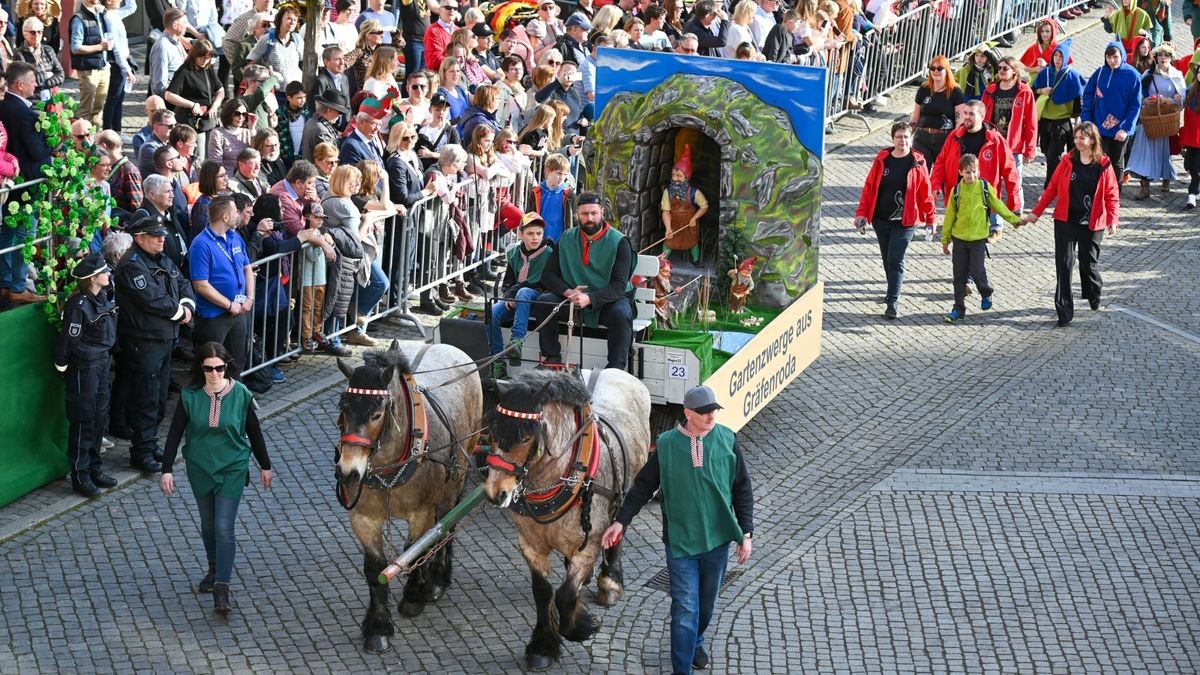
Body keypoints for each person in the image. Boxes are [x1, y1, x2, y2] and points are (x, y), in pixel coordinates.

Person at [601, 385, 754, 675]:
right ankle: (681, 670)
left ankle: (696, 641)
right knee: (685, 609)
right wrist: (621, 521)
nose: (711, 416)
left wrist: (746, 533)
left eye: (713, 411)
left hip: (718, 540)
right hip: (681, 543)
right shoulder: (668, 445)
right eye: (704, 412)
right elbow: (643, 487)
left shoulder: (727, 440)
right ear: (687, 413)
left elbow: (742, 489)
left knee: (705, 606)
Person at [159, 341, 273, 615]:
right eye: (209, 368)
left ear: (226, 367)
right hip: (199, 467)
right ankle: (213, 568)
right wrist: (166, 469)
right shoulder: (190, 395)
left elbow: (253, 431)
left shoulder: (241, 394)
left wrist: (264, 465)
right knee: (208, 526)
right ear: (201, 368)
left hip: (232, 467)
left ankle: (222, 586)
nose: (214, 373)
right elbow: (174, 432)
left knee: (223, 526)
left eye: (219, 368)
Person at [112, 212, 196, 472]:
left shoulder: (159, 258)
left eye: (162, 235)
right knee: (145, 398)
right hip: (144, 340)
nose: (162, 240)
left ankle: (149, 444)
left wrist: (187, 303)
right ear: (140, 238)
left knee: (159, 398)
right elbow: (150, 298)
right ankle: (141, 450)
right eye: (156, 236)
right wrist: (179, 312)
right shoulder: (132, 265)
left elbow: (181, 281)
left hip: (162, 339)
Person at [1023, 122, 1120, 327]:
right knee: (1064, 264)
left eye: (1082, 138)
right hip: (1066, 220)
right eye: (1076, 138)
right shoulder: (1067, 161)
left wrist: (1112, 220)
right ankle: (1064, 311)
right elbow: (1052, 189)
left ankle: (1094, 291)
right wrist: (1036, 213)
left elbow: (1112, 195)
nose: (1077, 141)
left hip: (1092, 223)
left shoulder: (1103, 164)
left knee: (1089, 263)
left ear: (1092, 140)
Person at [534, 192, 634, 369]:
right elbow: (548, 274)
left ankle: (615, 370)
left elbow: (618, 287)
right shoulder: (566, 238)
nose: (590, 218)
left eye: (594, 213)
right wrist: (569, 293)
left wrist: (590, 298)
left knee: (621, 314)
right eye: (584, 214)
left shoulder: (620, 242)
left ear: (602, 212)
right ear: (577, 215)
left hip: (607, 302)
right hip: (572, 301)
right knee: (545, 302)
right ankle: (552, 360)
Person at [854, 122, 935, 320]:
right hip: (882, 219)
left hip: (906, 221)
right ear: (892, 139)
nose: (903, 140)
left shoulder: (917, 162)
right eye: (899, 136)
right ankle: (893, 290)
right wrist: (861, 213)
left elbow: (926, 193)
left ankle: (892, 301)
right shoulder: (883, 160)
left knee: (895, 259)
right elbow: (869, 187)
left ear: (911, 138)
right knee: (886, 259)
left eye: (906, 137)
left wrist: (930, 219)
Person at [53, 253, 118, 498]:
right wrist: (62, 366)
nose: (108, 274)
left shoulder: (101, 297)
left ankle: (94, 468)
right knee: (83, 419)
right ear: (93, 278)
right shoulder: (79, 306)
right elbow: (69, 342)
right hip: (84, 367)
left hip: (101, 364)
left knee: (99, 416)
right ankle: (80, 474)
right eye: (104, 271)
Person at [940, 153, 1022, 324]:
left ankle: (985, 292)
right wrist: (945, 239)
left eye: (974, 171)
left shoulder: (984, 187)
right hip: (960, 239)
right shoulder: (956, 191)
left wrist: (1014, 219)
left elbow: (998, 205)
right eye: (968, 172)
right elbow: (949, 216)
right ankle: (958, 308)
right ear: (960, 172)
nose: (972, 175)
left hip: (978, 240)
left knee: (977, 271)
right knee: (959, 277)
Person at [930, 100, 1020, 243]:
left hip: (984, 198)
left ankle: (993, 230)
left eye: (972, 114)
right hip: (960, 194)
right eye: (965, 113)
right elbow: (941, 162)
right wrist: (935, 185)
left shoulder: (994, 140)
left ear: (982, 116)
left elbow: (1010, 171)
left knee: (977, 243)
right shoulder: (954, 136)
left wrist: (1014, 201)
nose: (966, 117)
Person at [0, 62, 49, 305]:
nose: (36, 84)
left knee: (8, 232)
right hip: (26, 184)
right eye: (32, 81)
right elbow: (37, 150)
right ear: (20, 85)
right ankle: (18, 286)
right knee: (24, 235)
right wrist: (52, 136)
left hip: (8, 184)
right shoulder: (25, 113)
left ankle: (5, 282)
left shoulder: (4, 105)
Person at [189, 195, 254, 372]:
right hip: (214, 317)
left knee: (236, 363)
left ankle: (232, 399)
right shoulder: (201, 244)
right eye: (235, 212)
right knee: (211, 366)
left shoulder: (235, 237)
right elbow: (201, 284)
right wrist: (228, 304)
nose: (238, 215)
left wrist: (250, 298)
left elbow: (247, 268)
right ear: (225, 217)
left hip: (238, 312)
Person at [486, 212, 552, 377]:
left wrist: (515, 293)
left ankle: (516, 342)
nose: (535, 237)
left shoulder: (548, 253)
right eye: (530, 233)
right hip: (516, 299)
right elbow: (508, 281)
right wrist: (509, 294)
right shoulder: (515, 253)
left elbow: (541, 282)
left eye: (539, 233)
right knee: (492, 311)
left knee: (523, 292)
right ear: (521, 234)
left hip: (537, 300)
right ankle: (497, 362)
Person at [1126, 44, 1185, 200]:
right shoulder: (1148, 74)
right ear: (1156, 58)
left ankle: (1166, 177)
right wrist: (1145, 99)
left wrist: (1170, 100)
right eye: (1160, 55)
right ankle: (1145, 187)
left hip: (1166, 120)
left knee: (1164, 153)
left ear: (1171, 58)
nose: (1163, 58)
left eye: (1166, 55)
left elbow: (1182, 99)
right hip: (1150, 119)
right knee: (1142, 151)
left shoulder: (1177, 75)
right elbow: (1138, 94)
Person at [1082, 42, 1143, 184]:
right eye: (1108, 57)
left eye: (1115, 57)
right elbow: (1088, 95)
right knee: (1097, 160)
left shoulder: (1132, 75)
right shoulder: (1100, 73)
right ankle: (1098, 192)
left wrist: (1126, 128)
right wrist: (1087, 119)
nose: (1112, 61)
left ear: (1122, 56)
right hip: (1098, 127)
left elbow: (1135, 105)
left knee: (1116, 162)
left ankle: (1114, 194)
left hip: (1120, 129)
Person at [1033, 38, 1084, 189]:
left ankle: (1050, 186)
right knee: (1047, 152)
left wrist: (1077, 124)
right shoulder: (1045, 73)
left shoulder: (1072, 75)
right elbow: (1033, 90)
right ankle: (1059, 180)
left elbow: (1077, 101)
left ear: (1066, 58)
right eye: (1056, 55)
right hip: (1045, 121)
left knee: (1052, 156)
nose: (1058, 59)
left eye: (1061, 56)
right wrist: (1042, 90)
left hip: (1062, 122)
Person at [982, 57, 1037, 192]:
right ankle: (993, 212)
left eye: (1005, 68)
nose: (1001, 71)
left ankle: (1017, 212)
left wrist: (1030, 150)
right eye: (999, 68)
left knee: (1014, 184)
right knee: (991, 183)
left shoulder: (1024, 91)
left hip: (1014, 146)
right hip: (993, 143)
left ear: (1014, 71)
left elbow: (1031, 122)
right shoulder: (990, 90)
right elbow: (981, 116)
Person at [910, 55, 966, 166]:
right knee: (920, 171)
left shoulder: (955, 92)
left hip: (944, 138)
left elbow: (960, 120)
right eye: (932, 68)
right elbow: (915, 116)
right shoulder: (924, 89)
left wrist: (955, 140)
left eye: (940, 68)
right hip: (922, 137)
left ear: (947, 70)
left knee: (942, 174)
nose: (936, 71)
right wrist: (907, 134)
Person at [660, 145, 708, 265]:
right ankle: (662, 261)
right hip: (675, 224)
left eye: (679, 176)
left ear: (686, 177)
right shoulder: (668, 192)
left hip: (689, 224)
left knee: (692, 243)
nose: (675, 179)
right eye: (673, 175)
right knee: (669, 242)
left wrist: (694, 218)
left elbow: (704, 206)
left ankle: (696, 260)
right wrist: (668, 228)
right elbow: (666, 211)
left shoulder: (694, 193)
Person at [68, 0, 112, 126]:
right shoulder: (79, 18)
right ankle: (80, 142)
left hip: (103, 67)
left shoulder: (100, 13)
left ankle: (95, 141)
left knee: (98, 110)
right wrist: (100, 47)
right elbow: (75, 48)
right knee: (85, 111)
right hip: (88, 70)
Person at [100, 0, 136, 132]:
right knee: (113, 99)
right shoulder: (109, 18)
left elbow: (132, 7)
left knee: (119, 99)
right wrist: (126, 68)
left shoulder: (115, 14)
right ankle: (108, 131)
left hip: (123, 61)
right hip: (117, 64)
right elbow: (116, 48)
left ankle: (117, 131)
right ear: (109, 1)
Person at [247, 6, 305, 85]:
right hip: (274, 90)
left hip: (295, 91)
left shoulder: (297, 40)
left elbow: (303, 62)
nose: (292, 22)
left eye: (295, 20)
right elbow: (251, 62)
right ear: (280, 19)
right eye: (289, 18)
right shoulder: (267, 39)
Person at [15, 16, 62, 97]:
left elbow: (60, 74)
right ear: (24, 34)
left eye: (39, 32)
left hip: (52, 99)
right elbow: (25, 81)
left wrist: (46, 83)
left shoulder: (49, 50)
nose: (36, 35)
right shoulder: (19, 54)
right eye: (33, 32)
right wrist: (49, 75)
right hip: (32, 100)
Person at [208, 99, 254, 176]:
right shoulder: (217, 133)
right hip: (227, 179)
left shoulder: (248, 132)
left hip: (247, 178)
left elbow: (255, 157)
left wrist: (252, 129)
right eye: (237, 114)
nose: (241, 117)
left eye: (244, 114)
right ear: (229, 113)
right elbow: (216, 163)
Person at [149, 8, 188, 98]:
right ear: (175, 25)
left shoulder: (177, 42)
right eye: (184, 23)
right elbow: (160, 86)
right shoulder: (163, 47)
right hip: (170, 104)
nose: (187, 26)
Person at [423, 0, 458, 73]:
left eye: (455, 8)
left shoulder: (458, 30)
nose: (452, 10)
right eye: (448, 7)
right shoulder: (433, 31)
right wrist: (457, 61)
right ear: (439, 10)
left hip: (457, 73)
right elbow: (435, 61)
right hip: (439, 75)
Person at [1183, 71, 1200, 208]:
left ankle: (1192, 194)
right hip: (1191, 136)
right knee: (1188, 164)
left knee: (1196, 166)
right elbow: (1182, 104)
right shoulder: (1191, 89)